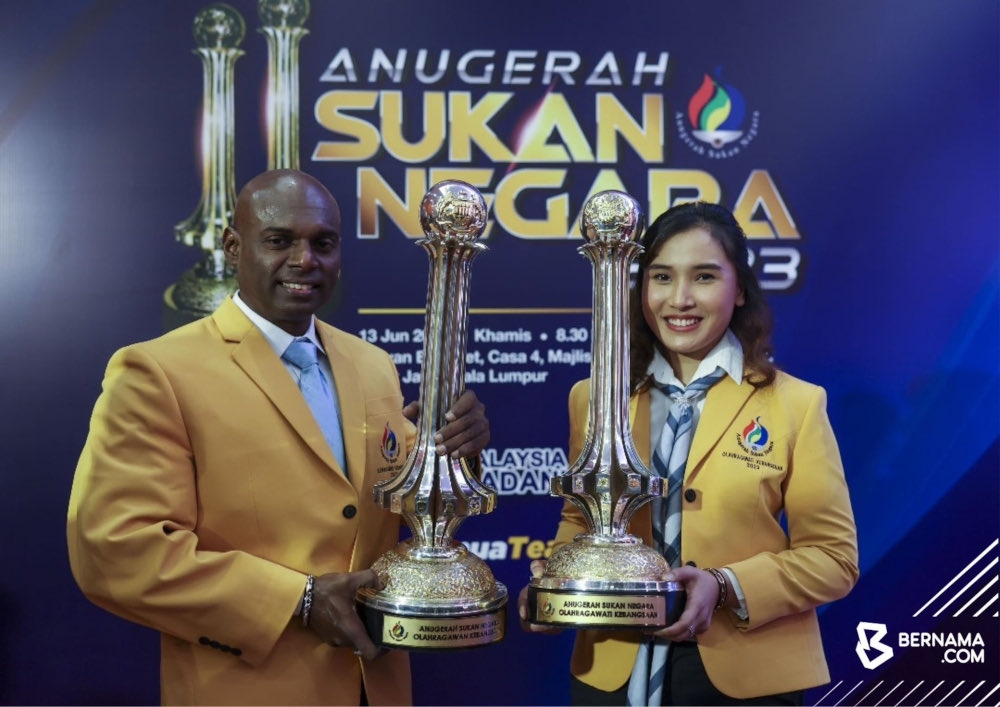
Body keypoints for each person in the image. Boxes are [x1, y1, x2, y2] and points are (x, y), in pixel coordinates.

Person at [67, 169, 490, 706]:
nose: (304, 260)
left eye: (323, 243)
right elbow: (117, 551)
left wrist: (454, 453)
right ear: (232, 247)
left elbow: (390, 508)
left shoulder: (372, 365)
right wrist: (301, 599)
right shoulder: (158, 371)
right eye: (279, 240)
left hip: (375, 686)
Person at [519, 201, 858, 705]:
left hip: (746, 678)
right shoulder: (594, 398)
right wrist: (560, 590)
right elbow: (581, 518)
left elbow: (834, 559)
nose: (679, 299)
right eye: (661, 277)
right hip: (611, 673)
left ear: (739, 288)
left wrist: (724, 586)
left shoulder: (796, 404)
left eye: (703, 277)